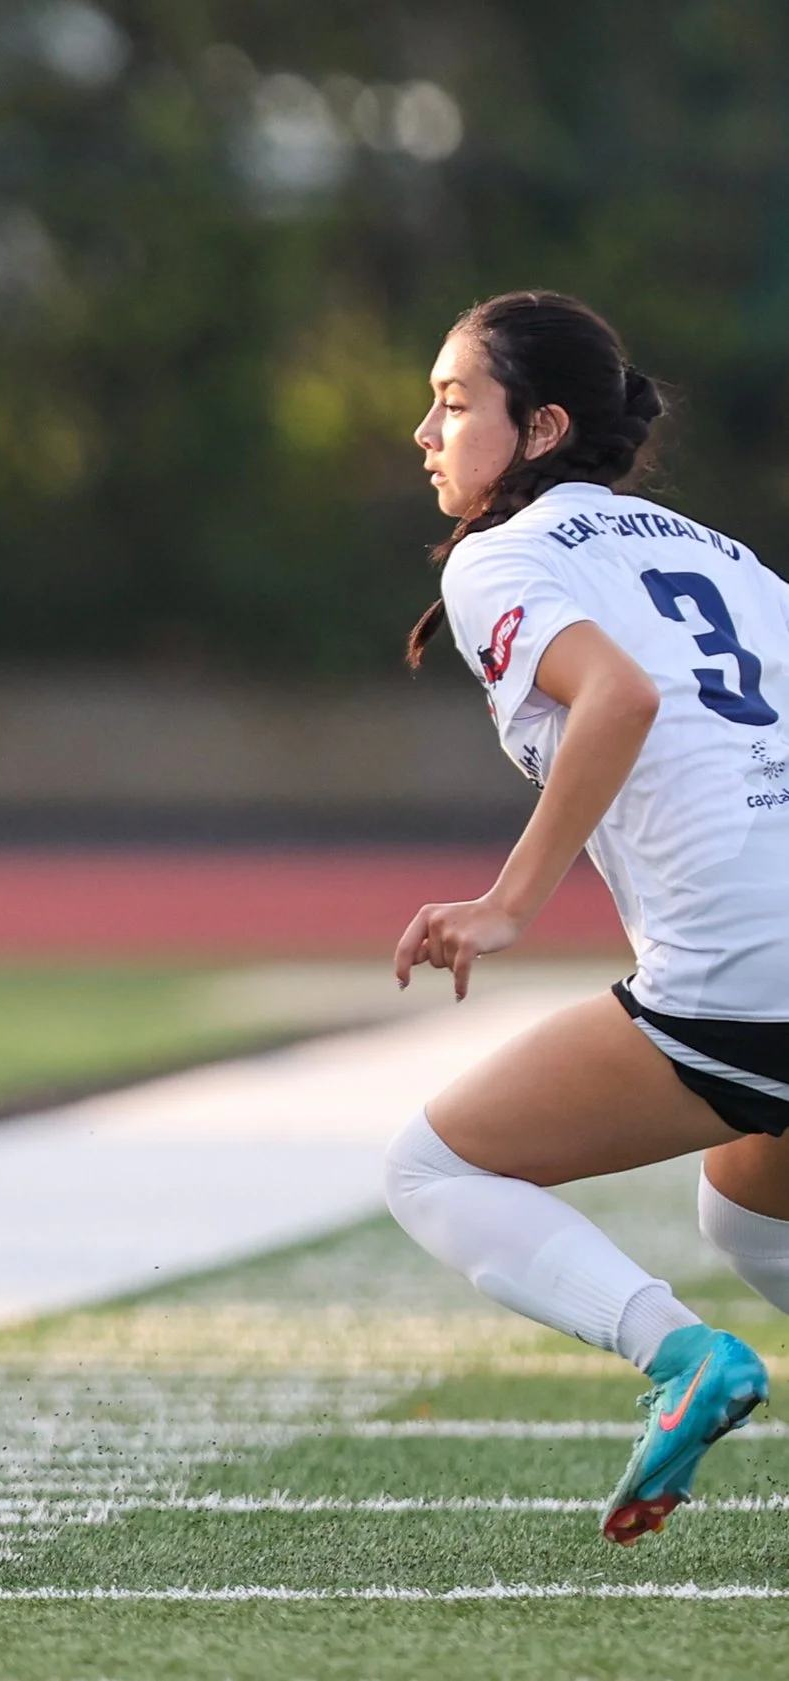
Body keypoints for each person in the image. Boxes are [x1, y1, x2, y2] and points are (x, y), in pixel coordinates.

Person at [384, 290, 789, 1544]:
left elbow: (615, 698)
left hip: (742, 967)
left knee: (431, 1166)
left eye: (455, 403)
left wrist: (508, 905)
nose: (424, 430)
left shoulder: (500, 557)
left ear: (544, 425)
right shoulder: (719, 552)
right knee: (746, 1201)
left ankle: (681, 1359)